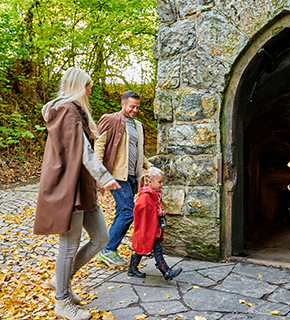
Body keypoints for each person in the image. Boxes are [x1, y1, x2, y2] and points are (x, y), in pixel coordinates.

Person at [34, 67, 121, 320]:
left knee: (101, 238)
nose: (90, 90)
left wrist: (95, 183)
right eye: (87, 85)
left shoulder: (74, 112)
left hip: (82, 189)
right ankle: (62, 301)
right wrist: (105, 178)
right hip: (68, 190)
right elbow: (83, 152)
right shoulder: (66, 111)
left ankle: (60, 280)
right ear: (76, 86)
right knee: (69, 246)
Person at [94, 91, 153, 266]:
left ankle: (107, 248)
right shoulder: (111, 120)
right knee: (128, 210)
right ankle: (108, 249)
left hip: (132, 177)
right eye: (132, 106)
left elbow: (138, 154)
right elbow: (99, 146)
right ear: (123, 104)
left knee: (122, 211)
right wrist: (100, 174)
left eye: (137, 107)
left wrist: (150, 167)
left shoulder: (138, 126)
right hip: (117, 175)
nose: (135, 110)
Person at [127, 167, 183, 281]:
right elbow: (141, 210)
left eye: (162, 181)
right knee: (151, 249)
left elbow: (153, 208)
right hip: (147, 229)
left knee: (145, 249)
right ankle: (166, 271)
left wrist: (159, 211)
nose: (162, 184)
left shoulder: (154, 193)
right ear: (150, 182)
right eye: (159, 182)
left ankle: (132, 268)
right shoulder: (146, 196)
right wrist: (158, 212)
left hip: (153, 228)